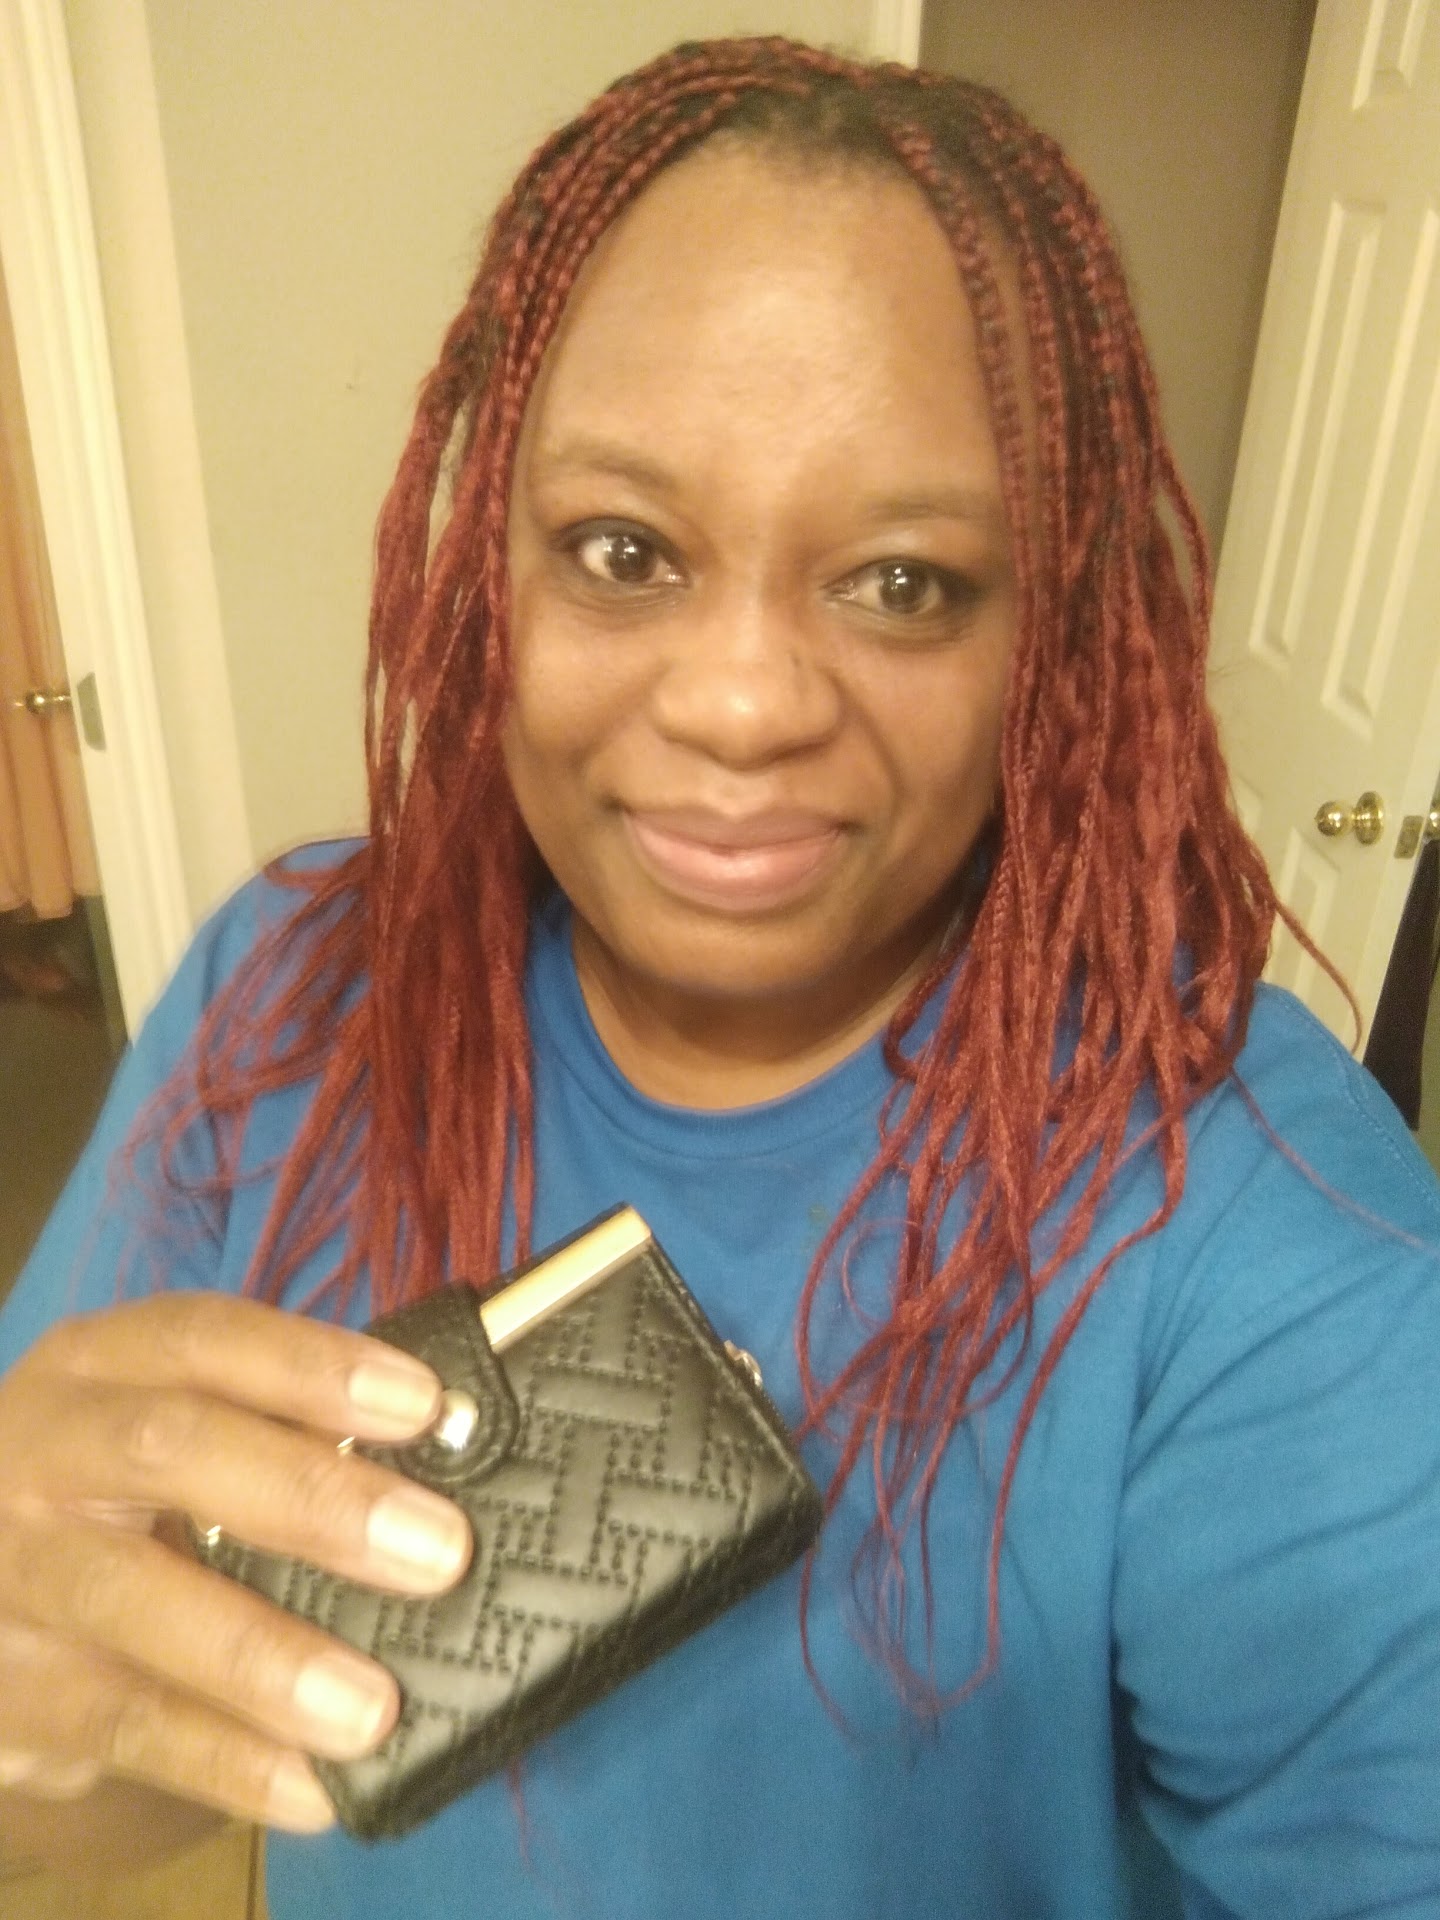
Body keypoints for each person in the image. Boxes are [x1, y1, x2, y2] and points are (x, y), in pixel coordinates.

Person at [1, 34, 1438, 1919]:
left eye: (904, 583)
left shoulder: (1250, 1225)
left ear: (1053, 639)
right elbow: (105, 1784)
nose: (744, 703)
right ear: (491, 574)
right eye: (625, 551)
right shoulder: (283, 999)